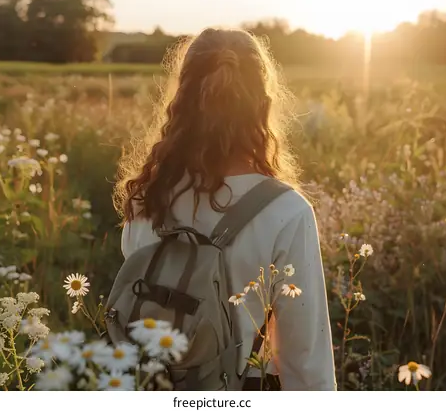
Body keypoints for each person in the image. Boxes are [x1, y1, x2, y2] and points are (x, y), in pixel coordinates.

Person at [112, 27, 336, 391]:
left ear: (183, 98)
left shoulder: (146, 196)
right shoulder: (287, 212)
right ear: (261, 104)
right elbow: (304, 359)